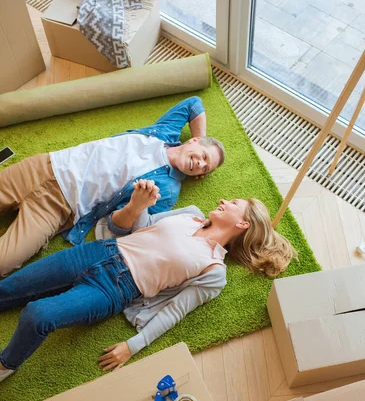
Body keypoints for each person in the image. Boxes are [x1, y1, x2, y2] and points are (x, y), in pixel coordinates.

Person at [0, 180, 296, 382]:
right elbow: (143, 226)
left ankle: (5, 365)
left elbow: (176, 310)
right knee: (8, 288)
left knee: (39, 314)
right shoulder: (190, 215)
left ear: (242, 224)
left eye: (232, 203)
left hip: (114, 289)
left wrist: (133, 345)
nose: (222, 200)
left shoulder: (214, 271)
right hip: (99, 251)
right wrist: (139, 205)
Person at [0, 96, 225, 276]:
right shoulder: (163, 131)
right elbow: (193, 104)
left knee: (4, 262)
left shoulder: (167, 190)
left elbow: (118, 228)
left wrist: (136, 206)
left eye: (205, 168)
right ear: (193, 141)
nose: (200, 164)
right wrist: (202, 140)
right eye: (204, 156)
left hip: (58, 207)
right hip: (44, 166)